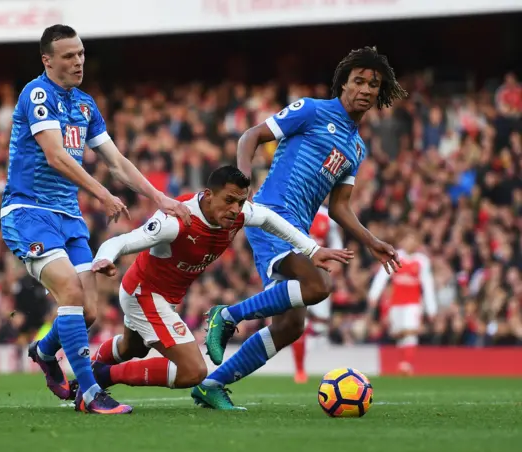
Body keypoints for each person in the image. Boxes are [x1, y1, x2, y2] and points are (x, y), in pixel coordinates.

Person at [195, 46, 408, 410]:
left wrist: (372, 241)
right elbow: (251, 135)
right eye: (358, 81)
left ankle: (212, 384)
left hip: (298, 229)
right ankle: (226, 316)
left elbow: (340, 207)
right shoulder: (311, 110)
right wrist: (242, 184)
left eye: (374, 84)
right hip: (271, 214)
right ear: (343, 84)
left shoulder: (356, 149)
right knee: (317, 285)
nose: (366, 89)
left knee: (291, 326)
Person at [0, 24, 190, 415]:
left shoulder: (85, 104)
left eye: (81, 54)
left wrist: (159, 197)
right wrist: (102, 193)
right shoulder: (37, 94)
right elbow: (55, 155)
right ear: (47, 60)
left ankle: (43, 350)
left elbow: (116, 162)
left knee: (86, 312)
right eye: (69, 55)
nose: (78, 61)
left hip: (69, 217)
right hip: (30, 211)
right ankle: (89, 394)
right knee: (69, 292)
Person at [66, 166, 352, 396]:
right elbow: (124, 240)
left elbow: (271, 220)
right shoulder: (176, 219)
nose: (235, 208)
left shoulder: (239, 214)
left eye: (240, 202)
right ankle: (101, 376)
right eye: (228, 200)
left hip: (161, 296)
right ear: (207, 195)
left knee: (133, 348)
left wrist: (312, 250)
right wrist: (103, 259)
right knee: (193, 372)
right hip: (145, 294)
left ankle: (88, 376)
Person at [368, 228, 437, 375]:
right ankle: (402, 364)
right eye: (407, 239)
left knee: (410, 332)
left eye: (413, 239)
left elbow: (428, 284)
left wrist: (431, 309)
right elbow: (382, 276)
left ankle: (407, 364)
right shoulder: (395, 257)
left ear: (417, 242)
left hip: (413, 303)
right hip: (396, 303)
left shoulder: (422, 261)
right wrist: (374, 295)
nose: (409, 242)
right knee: (399, 334)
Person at [291, 204, 344, 384]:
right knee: (299, 322)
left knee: (321, 323)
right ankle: (299, 370)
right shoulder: (294, 209)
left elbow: (336, 243)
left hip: (320, 273)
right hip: (295, 272)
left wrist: (335, 264)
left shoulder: (326, 217)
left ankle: (319, 366)